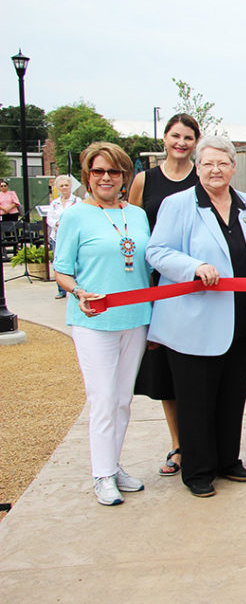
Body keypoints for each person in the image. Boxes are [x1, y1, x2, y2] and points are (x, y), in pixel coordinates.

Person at [145, 136, 246, 498]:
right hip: (193, 322)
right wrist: (193, 266)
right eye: (207, 164)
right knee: (196, 399)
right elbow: (157, 250)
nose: (215, 170)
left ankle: (228, 460)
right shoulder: (178, 204)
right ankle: (198, 470)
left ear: (233, 167)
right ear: (197, 168)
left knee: (232, 394)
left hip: (241, 318)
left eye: (222, 163)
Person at [53, 142, 152, 506]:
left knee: (123, 399)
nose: (106, 178)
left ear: (125, 176)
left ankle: (113, 464)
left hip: (136, 318)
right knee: (103, 398)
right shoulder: (76, 216)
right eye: (98, 172)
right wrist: (78, 291)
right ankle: (101, 474)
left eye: (113, 171)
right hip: (94, 320)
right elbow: (61, 269)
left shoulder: (137, 216)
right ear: (87, 176)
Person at [128, 113, 200, 478]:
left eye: (188, 137)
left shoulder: (201, 176)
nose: (181, 143)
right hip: (158, 283)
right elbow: (135, 227)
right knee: (166, 369)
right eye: (175, 136)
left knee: (196, 364)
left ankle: (201, 441)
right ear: (166, 138)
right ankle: (179, 443)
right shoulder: (146, 180)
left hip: (195, 284)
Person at [48, 174, 80, 298]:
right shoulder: (54, 203)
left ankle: (75, 287)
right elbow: (49, 218)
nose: (64, 187)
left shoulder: (77, 201)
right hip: (57, 235)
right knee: (59, 262)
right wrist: (57, 224)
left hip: (72, 236)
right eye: (61, 186)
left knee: (74, 262)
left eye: (66, 185)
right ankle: (61, 290)